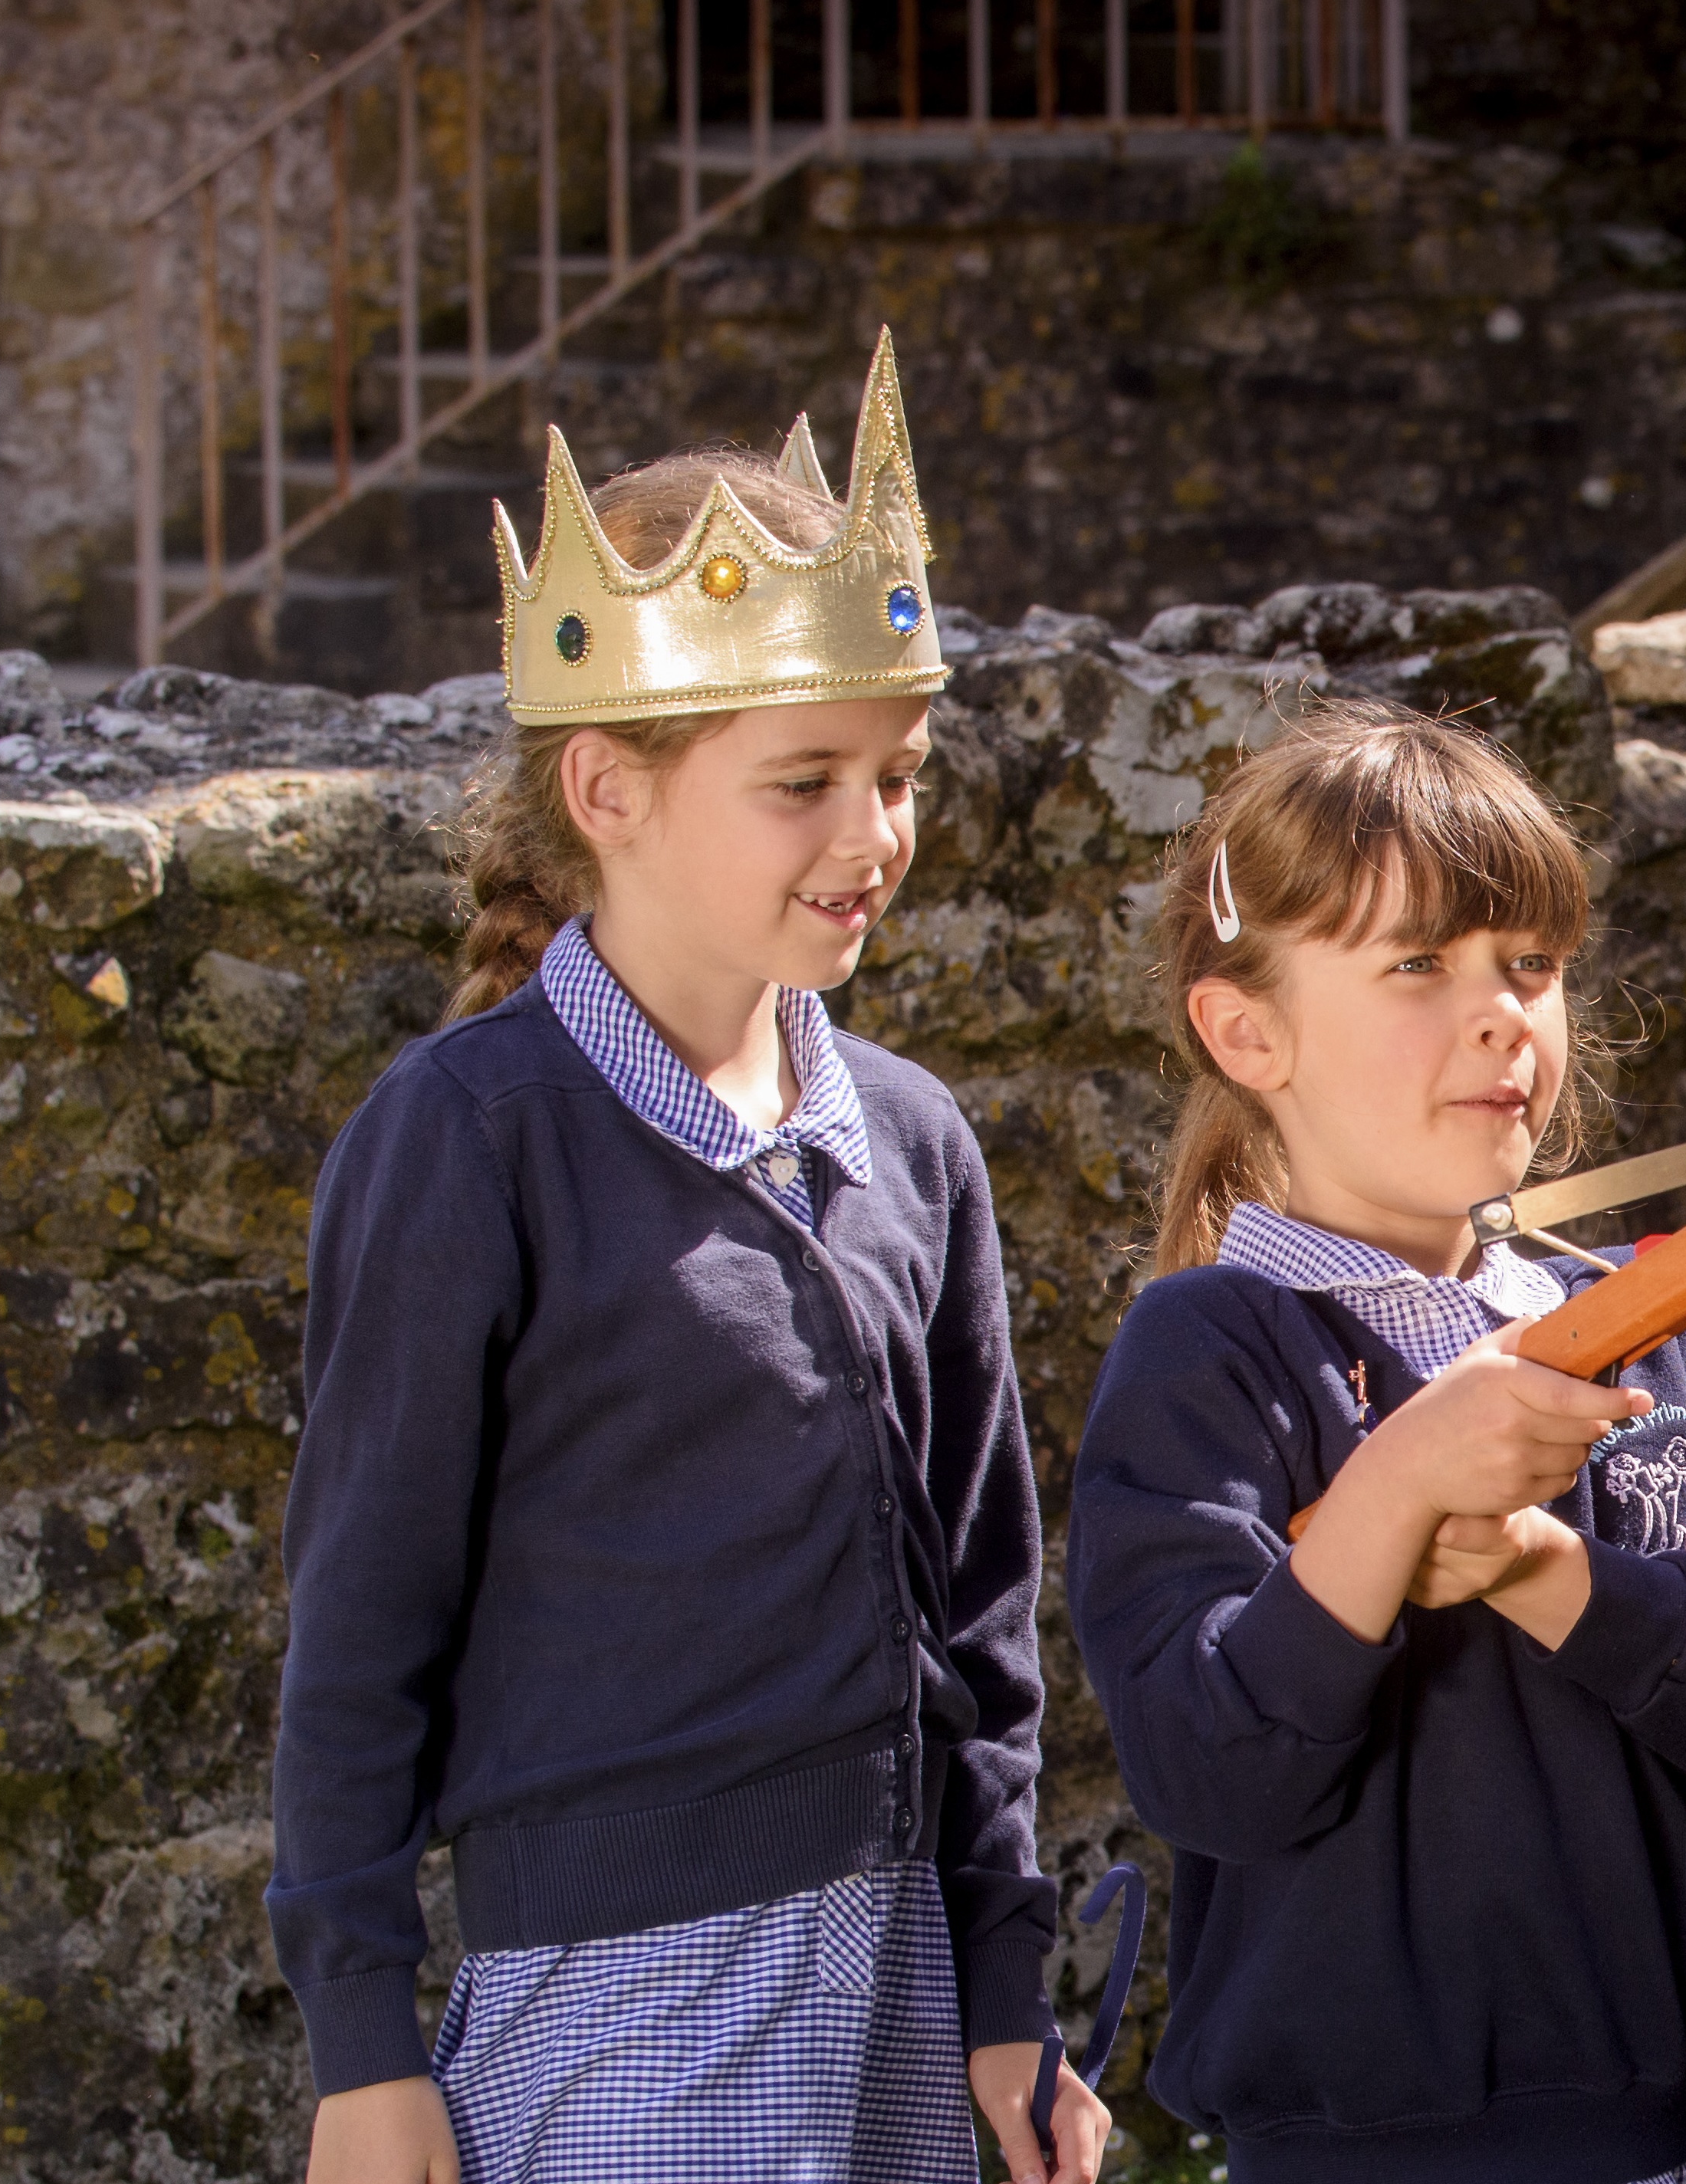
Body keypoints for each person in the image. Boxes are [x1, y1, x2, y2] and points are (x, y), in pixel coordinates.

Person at [268, 337, 1104, 2184]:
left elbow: (978, 1620)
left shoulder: (913, 1141)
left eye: (895, 775)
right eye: (802, 780)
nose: (873, 835)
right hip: (623, 2001)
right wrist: (359, 2043)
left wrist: (1000, 1987)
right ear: (606, 792)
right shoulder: (468, 1141)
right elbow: (360, 1623)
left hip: (901, 1976)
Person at [1067, 702, 1686, 2183]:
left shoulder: (1667, 1325)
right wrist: (1392, 1492)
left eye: (1530, 964)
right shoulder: (1207, 1351)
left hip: (1648, 2152)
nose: (1502, 1010)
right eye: (1418, 964)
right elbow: (1210, 1770)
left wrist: (1540, 1566)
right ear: (1247, 1029)